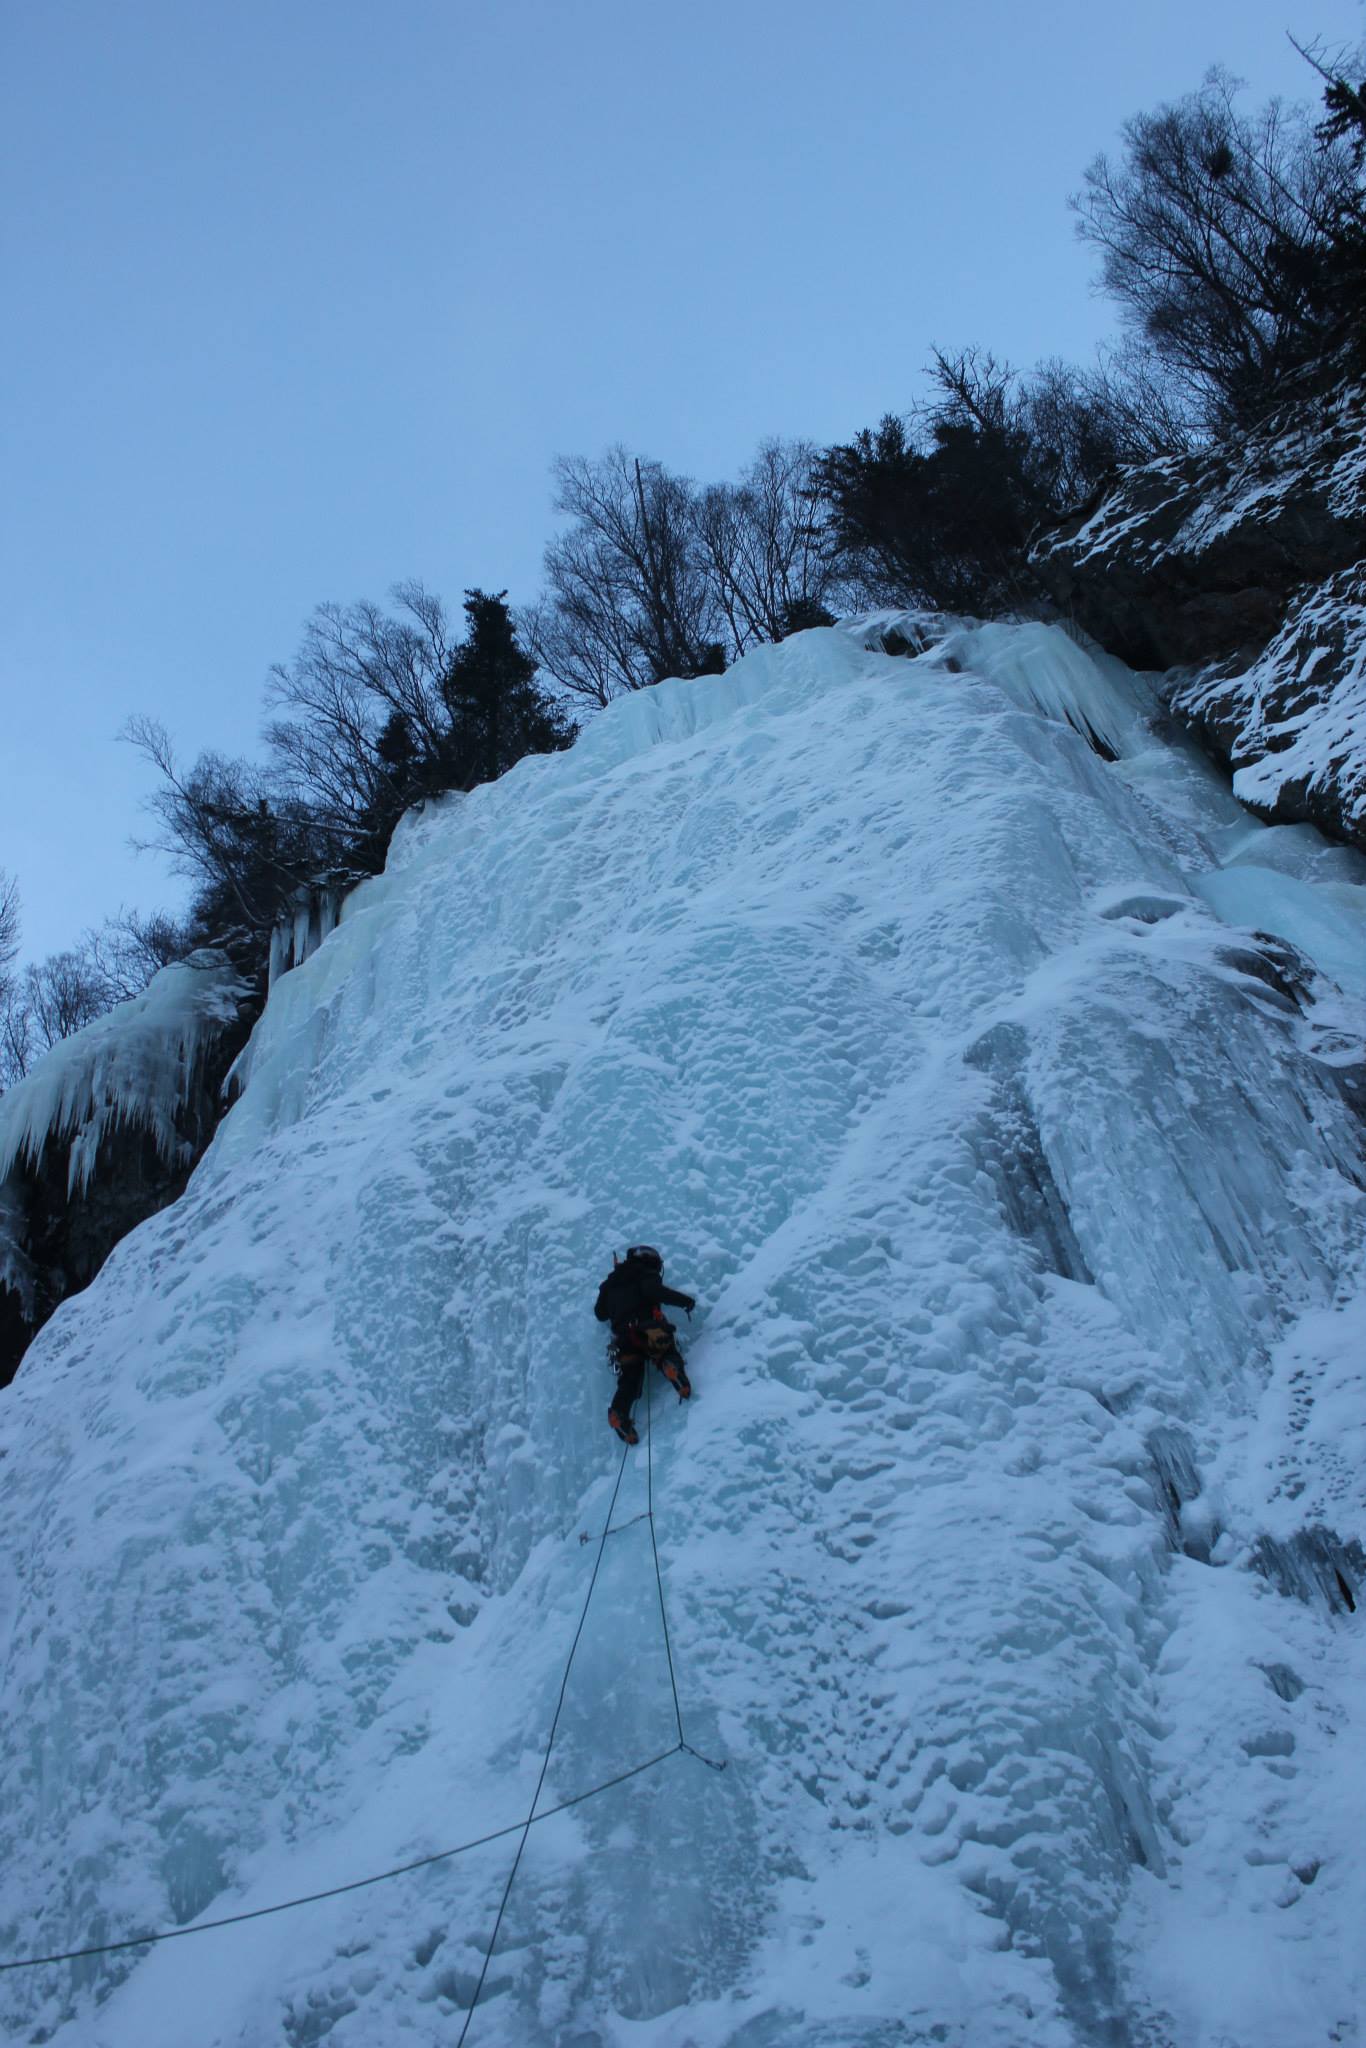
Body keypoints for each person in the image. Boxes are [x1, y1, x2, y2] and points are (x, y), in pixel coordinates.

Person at [594, 1245, 696, 1446]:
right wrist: (686, 1301)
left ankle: (619, 1412)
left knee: (630, 1379)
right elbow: (654, 1291)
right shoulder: (643, 1272)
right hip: (646, 1327)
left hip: (623, 1340)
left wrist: (614, 1293)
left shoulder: (609, 1284)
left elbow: (600, 1314)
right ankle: (672, 1368)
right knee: (665, 1349)